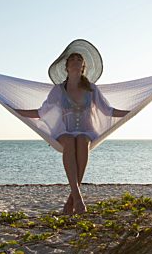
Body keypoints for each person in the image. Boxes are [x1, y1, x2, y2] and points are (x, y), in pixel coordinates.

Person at [15, 40, 129, 215]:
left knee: (82, 141)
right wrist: (16, 111)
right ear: (67, 67)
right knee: (70, 140)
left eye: (79, 59)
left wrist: (133, 111)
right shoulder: (59, 90)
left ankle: (72, 200)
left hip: (86, 132)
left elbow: (108, 110)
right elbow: (41, 111)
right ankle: (78, 200)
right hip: (64, 131)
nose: (76, 60)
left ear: (83, 66)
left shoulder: (92, 89)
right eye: (72, 59)